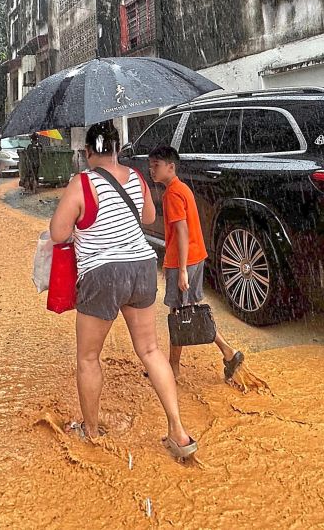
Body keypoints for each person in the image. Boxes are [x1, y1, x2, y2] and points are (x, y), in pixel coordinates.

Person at [49, 121, 197, 460]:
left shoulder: (81, 182)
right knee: (150, 351)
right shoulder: (137, 177)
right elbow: (147, 218)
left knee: (88, 357)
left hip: (102, 274)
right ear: (116, 149)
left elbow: (58, 233)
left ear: (88, 153)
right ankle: (178, 431)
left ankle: (91, 432)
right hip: (143, 267)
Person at [148, 145, 245, 382]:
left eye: (156, 166)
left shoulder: (172, 194)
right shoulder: (182, 188)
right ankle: (179, 365)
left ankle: (225, 353)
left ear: (171, 167)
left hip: (184, 260)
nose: (152, 170)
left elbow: (181, 231)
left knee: (183, 313)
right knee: (183, 311)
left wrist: (180, 270)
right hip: (193, 256)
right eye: (151, 166)